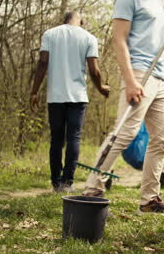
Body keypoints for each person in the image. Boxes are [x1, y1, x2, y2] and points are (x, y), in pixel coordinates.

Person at [82, 0, 164, 214]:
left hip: (159, 77)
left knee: (162, 137)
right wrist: (130, 80)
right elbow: (119, 38)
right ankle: (92, 191)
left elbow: (163, 40)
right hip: (139, 72)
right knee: (125, 132)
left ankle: (149, 200)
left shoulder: (156, 1)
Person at [29, 12, 110, 193]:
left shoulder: (50, 34)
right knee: (73, 137)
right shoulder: (88, 37)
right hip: (77, 97)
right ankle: (68, 182)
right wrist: (101, 88)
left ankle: (56, 183)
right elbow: (94, 70)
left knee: (56, 139)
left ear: (64, 20)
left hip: (55, 97)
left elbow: (43, 63)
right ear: (80, 21)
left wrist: (34, 91)